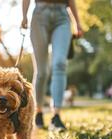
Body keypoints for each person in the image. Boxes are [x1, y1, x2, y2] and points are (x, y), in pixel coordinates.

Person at [21, 0, 83, 131]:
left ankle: (56, 116)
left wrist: (77, 22)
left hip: (62, 16)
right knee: (42, 71)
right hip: (39, 15)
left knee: (60, 64)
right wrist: (24, 15)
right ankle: (38, 112)